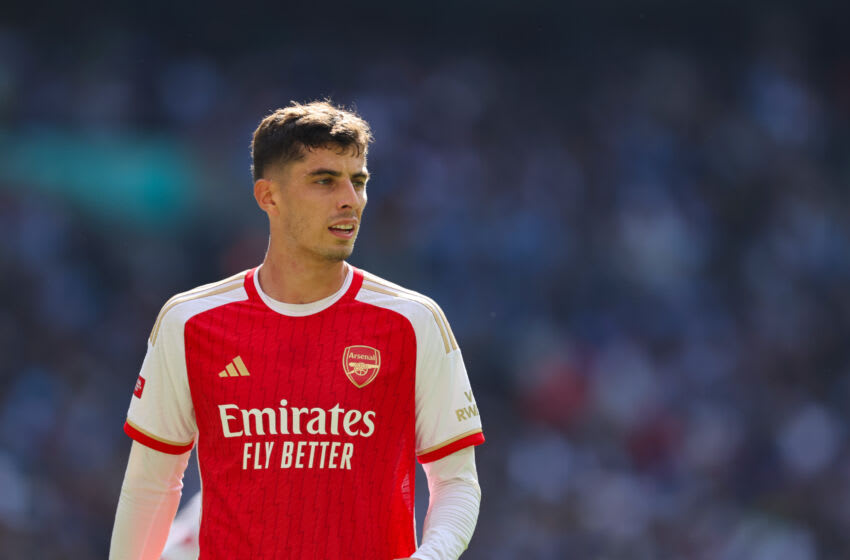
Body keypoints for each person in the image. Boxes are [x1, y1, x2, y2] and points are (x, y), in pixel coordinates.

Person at [109, 100, 485, 559]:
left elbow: (456, 481)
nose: (350, 198)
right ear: (269, 196)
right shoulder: (189, 322)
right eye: (325, 181)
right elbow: (151, 484)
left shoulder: (413, 321)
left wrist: (430, 557)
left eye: (359, 181)